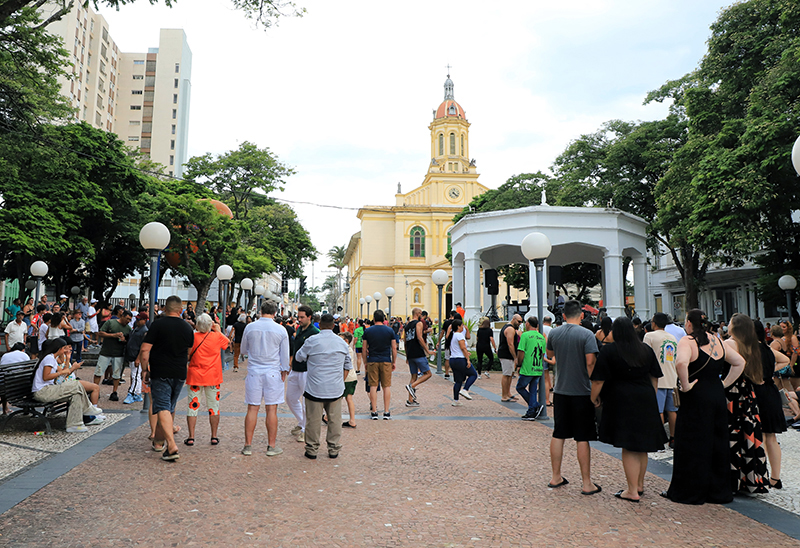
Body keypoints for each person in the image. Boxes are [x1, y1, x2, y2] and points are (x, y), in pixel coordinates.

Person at [664, 309, 745, 505]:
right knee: (717, 441)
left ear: (689, 323)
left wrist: (685, 385)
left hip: (696, 395)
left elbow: (681, 363)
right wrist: (725, 384)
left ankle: (690, 491)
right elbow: (739, 362)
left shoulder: (688, 341)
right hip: (716, 395)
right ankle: (717, 490)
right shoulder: (717, 340)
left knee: (692, 441)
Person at [590, 317, 667, 503]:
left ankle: (631, 490)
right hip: (646, 397)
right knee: (642, 444)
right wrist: (651, 394)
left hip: (622, 399)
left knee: (629, 445)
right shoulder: (645, 349)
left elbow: (598, 380)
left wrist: (593, 398)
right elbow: (655, 377)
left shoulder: (610, 350)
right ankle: (639, 484)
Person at [546, 300, 601, 495]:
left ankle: (555, 476)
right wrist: (594, 389)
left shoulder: (554, 333)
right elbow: (590, 363)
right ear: (582, 315)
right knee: (582, 437)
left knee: (558, 433)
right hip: (582, 391)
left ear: (562, 316)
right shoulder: (587, 335)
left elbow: (550, 355)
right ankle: (587, 483)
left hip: (561, 390)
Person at [139, 296, 195, 462]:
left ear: (165, 309)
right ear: (180, 310)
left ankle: (171, 445)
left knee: (162, 406)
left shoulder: (157, 325)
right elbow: (189, 351)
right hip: (179, 372)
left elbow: (144, 349)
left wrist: (144, 369)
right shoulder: (187, 327)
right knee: (168, 407)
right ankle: (158, 442)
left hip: (160, 370)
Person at [722, 314, 769, 494]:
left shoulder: (729, 344)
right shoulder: (753, 347)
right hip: (748, 395)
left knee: (731, 435)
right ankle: (750, 478)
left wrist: (725, 383)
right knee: (748, 434)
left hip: (732, 395)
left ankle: (732, 479)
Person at [296, 314, 352, 459]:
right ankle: (333, 448)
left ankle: (312, 449)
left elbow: (298, 357)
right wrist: (340, 380)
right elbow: (348, 365)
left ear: (319, 325)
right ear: (334, 326)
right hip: (335, 388)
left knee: (313, 421)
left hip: (315, 388)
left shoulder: (312, 341)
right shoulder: (342, 343)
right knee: (335, 420)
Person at [240, 301, 290, 457]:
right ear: (275, 313)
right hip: (273, 372)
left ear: (261, 311)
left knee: (252, 408)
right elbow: (284, 354)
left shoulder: (250, 327)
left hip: (254, 371)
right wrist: (284, 370)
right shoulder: (281, 329)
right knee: (271, 409)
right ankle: (271, 446)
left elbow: (243, 349)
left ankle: (248, 445)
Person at [752, 319, 791, 489]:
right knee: (771, 437)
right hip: (771, 391)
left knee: (758, 436)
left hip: (759, 393)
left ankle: (762, 473)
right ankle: (775, 477)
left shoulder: (751, 350)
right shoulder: (768, 349)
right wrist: (770, 371)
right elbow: (786, 361)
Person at [184, 313, 230, 447]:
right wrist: (218, 330)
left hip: (195, 376)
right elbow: (226, 344)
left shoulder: (192, 337)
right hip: (213, 377)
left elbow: (188, 352)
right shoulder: (216, 337)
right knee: (214, 407)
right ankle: (214, 436)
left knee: (192, 406)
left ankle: (191, 436)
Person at [31, 338, 95, 432]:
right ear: (59, 348)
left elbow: (63, 375)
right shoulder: (49, 358)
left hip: (50, 389)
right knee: (76, 384)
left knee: (76, 394)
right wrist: (61, 373)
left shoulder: (52, 358)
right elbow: (46, 377)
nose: (66, 350)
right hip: (43, 391)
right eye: (64, 348)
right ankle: (88, 408)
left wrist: (68, 362)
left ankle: (74, 425)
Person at [643, 312, 679, 448]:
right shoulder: (672, 338)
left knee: (658, 410)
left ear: (654, 323)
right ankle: (673, 438)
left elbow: (645, 356)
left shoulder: (649, 336)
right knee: (672, 411)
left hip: (656, 379)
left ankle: (658, 437)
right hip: (672, 377)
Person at [286, 305, 318, 443]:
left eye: (302, 317)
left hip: (307, 371)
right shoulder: (299, 329)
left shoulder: (314, 332)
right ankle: (301, 422)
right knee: (290, 398)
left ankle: (305, 430)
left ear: (309, 317)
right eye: (298, 317)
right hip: (295, 369)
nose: (299, 320)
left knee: (306, 402)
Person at [362, 309, 397, 420]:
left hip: (372, 359)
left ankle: (374, 412)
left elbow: (364, 348)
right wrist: (394, 361)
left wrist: (365, 362)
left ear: (374, 319)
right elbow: (394, 348)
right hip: (386, 359)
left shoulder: (368, 331)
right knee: (386, 386)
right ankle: (386, 412)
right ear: (383, 319)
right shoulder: (389, 331)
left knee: (373, 385)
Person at [94, 310, 132, 401]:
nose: (128, 321)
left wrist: (124, 340)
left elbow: (129, 341)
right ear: (122, 316)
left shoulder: (128, 329)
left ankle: (114, 392)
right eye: (127, 319)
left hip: (119, 354)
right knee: (99, 371)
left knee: (117, 374)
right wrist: (113, 335)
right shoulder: (110, 322)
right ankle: (95, 389)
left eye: (130, 320)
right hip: (106, 352)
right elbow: (101, 333)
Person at [516, 316, 546, 420]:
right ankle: (531, 411)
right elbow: (542, 354)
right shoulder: (541, 337)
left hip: (527, 367)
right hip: (537, 367)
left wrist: (519, 364)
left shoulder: (525, 335)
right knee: (533, 390)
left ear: (528, 324)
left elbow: (521, 351)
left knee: (520, 387)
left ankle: (535, 406)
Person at [403, 307, 432, 407]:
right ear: (418, 313)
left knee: (414, 376)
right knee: (428, 374)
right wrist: (427, 350)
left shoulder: (407, 326)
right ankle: (412, 386)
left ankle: (410, 400)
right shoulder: (418, 324)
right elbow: (419, 337)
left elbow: (405, 341)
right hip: (418, 352)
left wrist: (407, 355)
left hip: (410, 353)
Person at [448, 319, 476, 406]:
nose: (463, 327)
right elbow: (463, 348)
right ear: (459, 326)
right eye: (462, 325)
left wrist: (466, 353)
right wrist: (467, 359)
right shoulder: (459, 335)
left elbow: (458, 348)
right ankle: (465, 389)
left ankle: (455, 400)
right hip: (460, 359)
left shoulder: (452, 335)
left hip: (453, 359)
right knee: (473, 374)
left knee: (458, 380)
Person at [123, 312, 149, 405]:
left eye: (139, 319)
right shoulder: (137, 329)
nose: (137, 321)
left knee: (136, 375)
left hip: (136, 356)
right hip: (132, 355)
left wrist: (138, 358)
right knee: (135, 375)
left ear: (144, 320)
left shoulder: (144, 331)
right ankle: (137, 393)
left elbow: (143, 347)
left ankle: (132, 393)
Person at [497, 314, 522, 402]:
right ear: (514, 319)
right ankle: (504, 395)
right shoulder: (510, 329)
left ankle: (508, 393)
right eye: (518, 321)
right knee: (507, 374)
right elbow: (510, 344)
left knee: (510, 374)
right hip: (506, 354)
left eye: (521, 322)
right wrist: (515, 357)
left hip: (507, 354)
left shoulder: (510, 328)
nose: (519, 323)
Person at [339, 331, 358, 428]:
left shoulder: (345, 349)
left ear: (346, 340)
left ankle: (327, 417)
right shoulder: (350, 349)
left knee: (338, 398)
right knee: (349, 398)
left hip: (346, 378)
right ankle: (352, 420)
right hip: (352, 377)